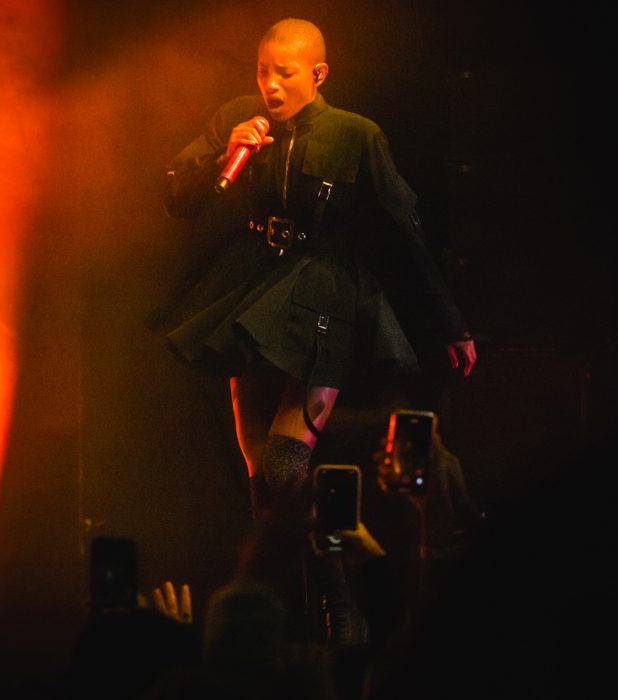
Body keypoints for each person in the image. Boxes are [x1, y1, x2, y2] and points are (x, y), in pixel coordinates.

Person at [162, 17, 476, 640]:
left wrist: (449, 322)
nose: (271, 85)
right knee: (263, 481)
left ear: (318, 73)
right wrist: (224, 154)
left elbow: (404, 231)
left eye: (285, 73)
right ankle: (290, 618)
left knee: (284, 466)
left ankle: (340, 602)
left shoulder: (356, 134)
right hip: (253, 292)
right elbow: (179, 198)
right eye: (263, 71)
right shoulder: (239, 118)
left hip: (322, 296)